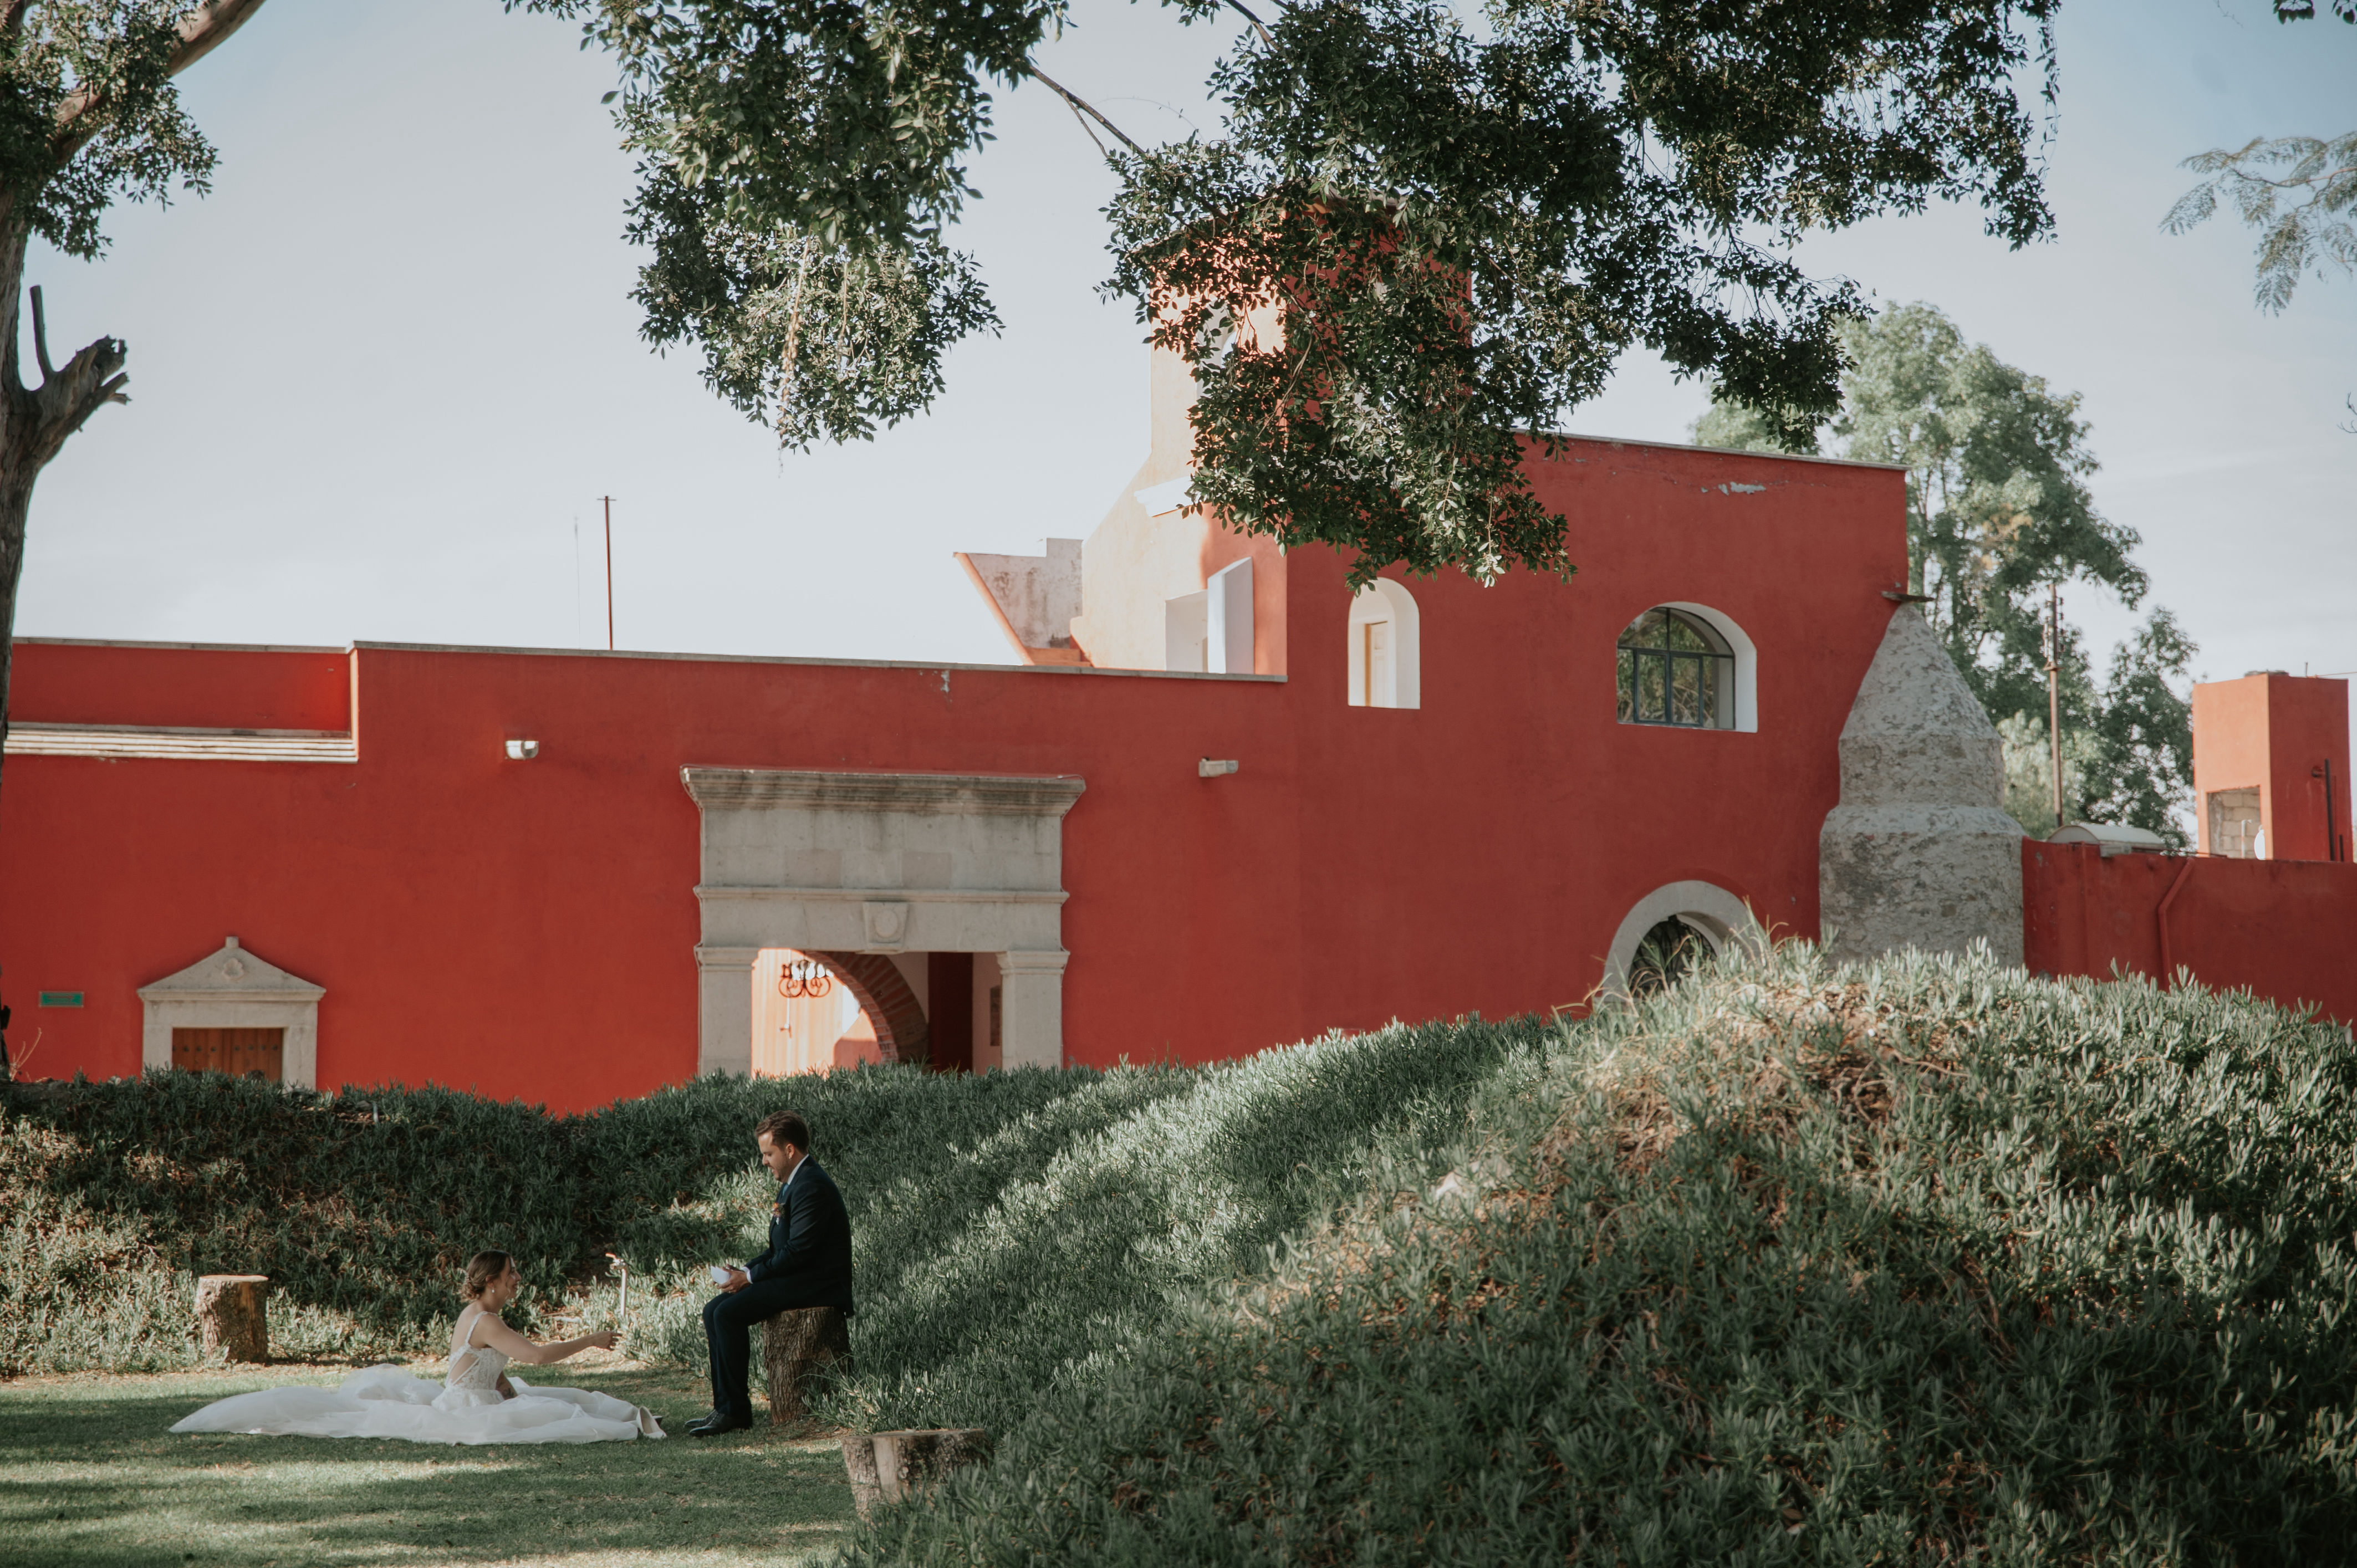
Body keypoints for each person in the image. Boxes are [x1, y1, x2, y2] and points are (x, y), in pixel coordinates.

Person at [170, 1250, 663, 1444]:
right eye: (512, 1273)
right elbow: (534, 1354)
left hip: (478, 1394)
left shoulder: (479, 1315)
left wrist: (508, 1387)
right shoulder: (487, 1319)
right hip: (471, 1408)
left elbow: (495, 1367)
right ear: (491, 1281)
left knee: (558, 1403)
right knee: (559, 1415)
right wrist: (593, 1340)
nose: (518, 1279)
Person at [691, 1109, 855, 1436]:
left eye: (768, 1154)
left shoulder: (812, 1186)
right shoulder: (792, 1183)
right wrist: (745, 1270)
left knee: (728, 1315)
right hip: (796, 1277)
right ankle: (723, 1406)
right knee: (713, 1311)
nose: (764, 1161)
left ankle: (736, 1412)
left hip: (817, 1285)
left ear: (789, 1150)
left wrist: (749, 1280)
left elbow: (799, 1253)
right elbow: (779, 1248)